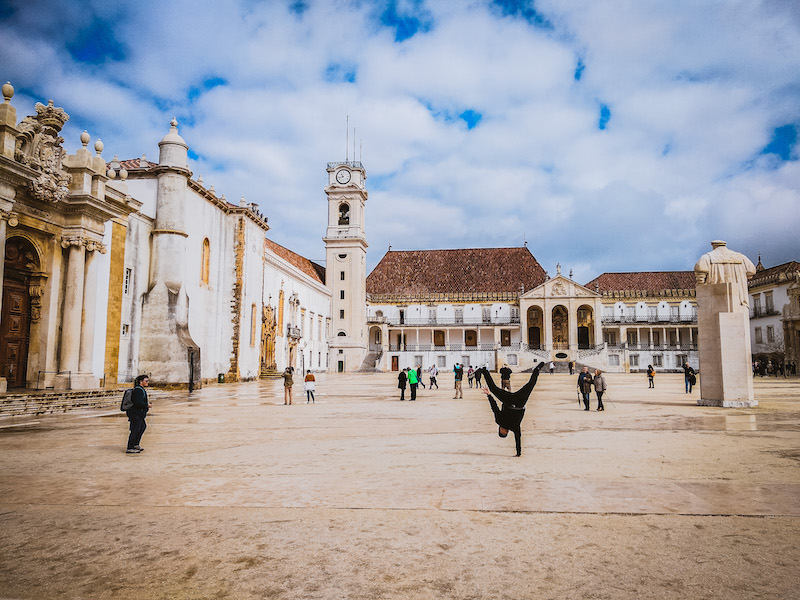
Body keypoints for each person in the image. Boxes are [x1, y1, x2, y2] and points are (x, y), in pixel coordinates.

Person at [479, 361, 545, 456]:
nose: (500, 429)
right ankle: (484, 370)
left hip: (518, 402)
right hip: (511, 401)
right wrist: (489, 395)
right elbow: (494, 407)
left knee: (531, 384)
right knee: (493, 389)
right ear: (504, 432)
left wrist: (519, 453)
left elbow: (518, 438)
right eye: (501, 431)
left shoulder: (513, 427)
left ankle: (536, 370)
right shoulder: (501, 422)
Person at [126, 374, 151, 454]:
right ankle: (130, 447)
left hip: (139, 414)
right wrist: (147, 405)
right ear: (141, 382)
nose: (148, 382)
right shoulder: (138, 390)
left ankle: (136, 444)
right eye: (146, 381)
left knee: (142, 427)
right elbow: (137, 403)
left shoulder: (141, 389)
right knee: (135, 430)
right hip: (135, 414)